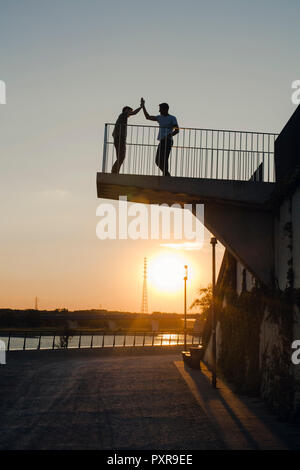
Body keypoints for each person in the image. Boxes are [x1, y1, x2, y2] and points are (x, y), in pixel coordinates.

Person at [141, 98, 179, 176]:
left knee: (164, 159)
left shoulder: (172, 118)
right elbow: (147, 117)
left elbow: (177, 130)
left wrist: (169, 135)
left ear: (165, 109)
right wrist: (143, 106)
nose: (159, 111)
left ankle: (166, 175)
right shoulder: (159, 117)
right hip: (162, 141)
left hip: (168, 141)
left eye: (160, 109)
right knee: (157, 160)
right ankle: (166, 174)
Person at [111, 104, 142, 174]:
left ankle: (115, 171)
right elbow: (134, 113)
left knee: (120, 157)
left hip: (119, 138)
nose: (130, 114)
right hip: (119, 138)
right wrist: (141, 107)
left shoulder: (122, 117)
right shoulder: (123, 115)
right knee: (121, 156)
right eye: (129, 111)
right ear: (126, 110)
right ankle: (114, 171)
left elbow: (113, 133)